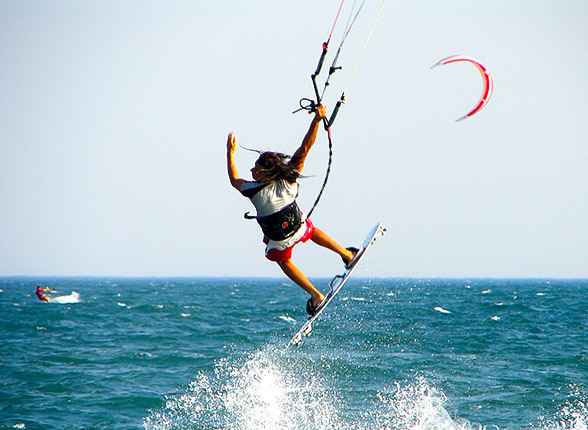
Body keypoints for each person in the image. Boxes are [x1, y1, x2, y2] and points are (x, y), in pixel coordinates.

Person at [226, 104, 360, 316]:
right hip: (298, 228)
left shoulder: (252, 189)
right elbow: (305, 147)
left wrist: (230, 153)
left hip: (279, 241)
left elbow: (234, 179)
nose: (251, 170)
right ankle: (346, 255)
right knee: (310, 229)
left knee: (283, 261)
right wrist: (317, 120)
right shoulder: (289, 178)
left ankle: (316, 295)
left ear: (266, 172)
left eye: (255, 168)